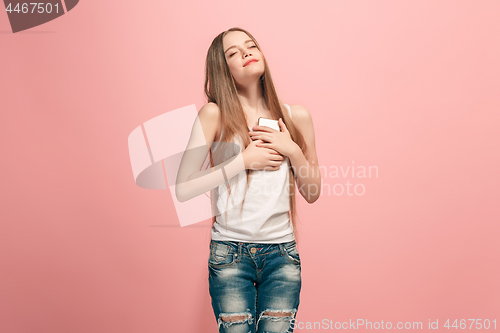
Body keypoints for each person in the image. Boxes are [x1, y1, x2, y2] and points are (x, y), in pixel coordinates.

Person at [176, 27, 321, 333]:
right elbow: (184, 187)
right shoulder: (214, 115)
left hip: (282, 255)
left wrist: (292, 149)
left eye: (250, 45)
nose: (245, 53)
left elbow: (312, 192)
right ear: (223, 68)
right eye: (232, 53)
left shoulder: (297, 117)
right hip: (229, 254)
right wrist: (243, 161)